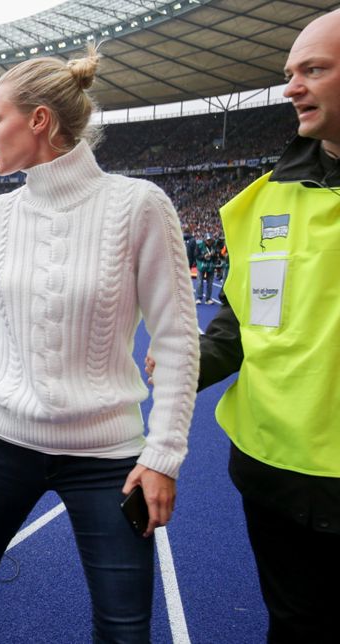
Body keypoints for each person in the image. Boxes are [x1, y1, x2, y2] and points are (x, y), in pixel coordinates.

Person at [0, 48, 199, 644]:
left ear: (40, 120)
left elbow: (177, 337)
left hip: (106, 458)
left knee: (126, 629)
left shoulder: (139, 206)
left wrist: (163, 455)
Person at [150, 10, 340, 641]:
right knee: (294, 626)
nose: (291, 88)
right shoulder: (259, 201)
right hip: (272, 470)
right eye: (290, 73)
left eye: (313, 69)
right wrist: (186, 362)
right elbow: (241, 326)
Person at [195, 231, 216, 304]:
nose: (209, 241)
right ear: (205, 240)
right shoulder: (199, 245)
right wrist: (204, 256)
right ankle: (199, 298)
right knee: (200, 282)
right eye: (208, 240)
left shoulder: (214, 246)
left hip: (210, 267)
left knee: (210, 283)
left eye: (210, 240)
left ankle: (208, 299)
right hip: (201, 267)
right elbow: (196, 255)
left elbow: (217, 256)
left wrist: (214, 255)